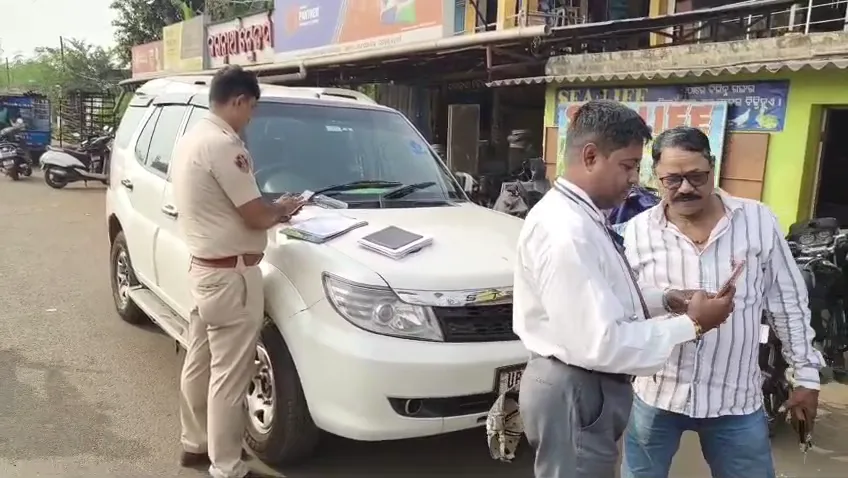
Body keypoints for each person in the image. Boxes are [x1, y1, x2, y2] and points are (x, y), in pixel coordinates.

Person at [513, 100, 736, 478]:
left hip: (583, 385)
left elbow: (602, 299)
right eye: (628, 166)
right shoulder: (565, 231)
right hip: (577, 385)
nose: (635, 179)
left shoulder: (582, 217)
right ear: (590, 156)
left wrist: (666, 300)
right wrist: (693, 325)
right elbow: (599, 341)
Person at [620, 126, 823, 478]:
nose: (685, 188)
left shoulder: (757, 220)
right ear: (657, 177)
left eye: (697, 176)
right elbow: (628, 305)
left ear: (713, 167)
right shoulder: (638, 230)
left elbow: (787, 300)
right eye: (673, 180)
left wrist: (806, 376)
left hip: (735, 400)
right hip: (658, 394)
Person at [170, 65, 304, 478]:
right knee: (230, 375)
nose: (251, 118)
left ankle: (195, 443)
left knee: (199, 360)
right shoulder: (227, 146)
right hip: (232, 277)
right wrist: (283, 208)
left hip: (203, 270)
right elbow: (255, 214)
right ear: (240, 100)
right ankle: (226, 465)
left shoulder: (190, 138)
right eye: (252, 109)